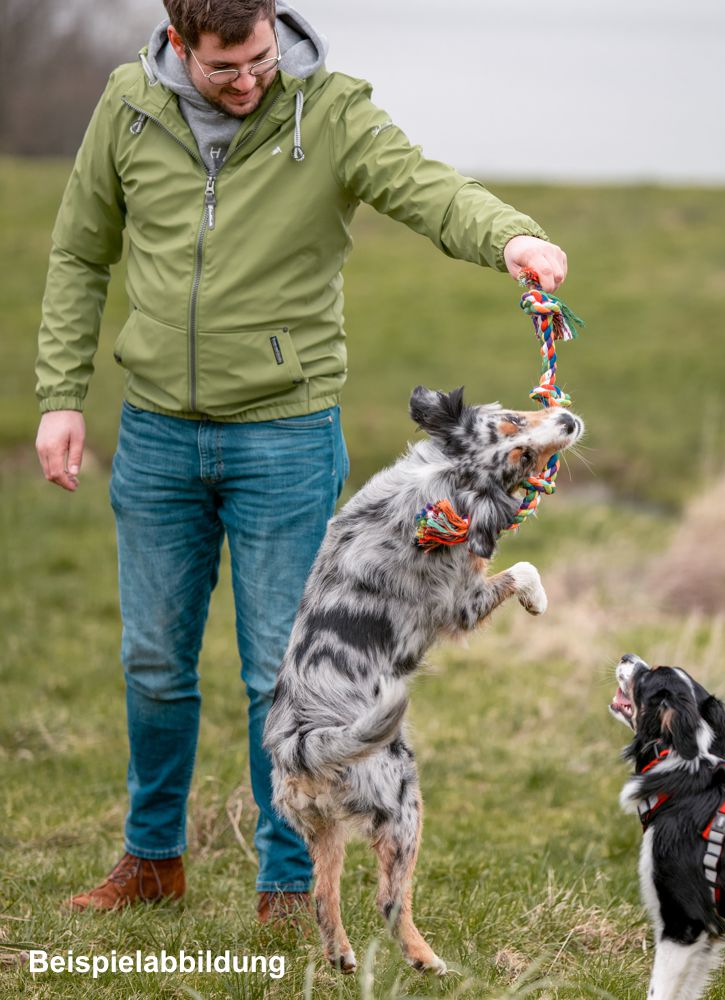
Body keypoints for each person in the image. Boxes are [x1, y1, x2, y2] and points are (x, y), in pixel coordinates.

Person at [34, 0, 567, 923]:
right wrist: (59, 396)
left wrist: (509, 236)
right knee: (153, 660)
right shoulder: (127, 105)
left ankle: (287, 885)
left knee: (281, 672)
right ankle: (152, 859)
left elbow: (424, 186)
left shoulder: (330, 109)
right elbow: (82, 253)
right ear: (176, 41)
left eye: (258, 58)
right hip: (157, 432)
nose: (248, 81)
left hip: (284, 433)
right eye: (223, 69)